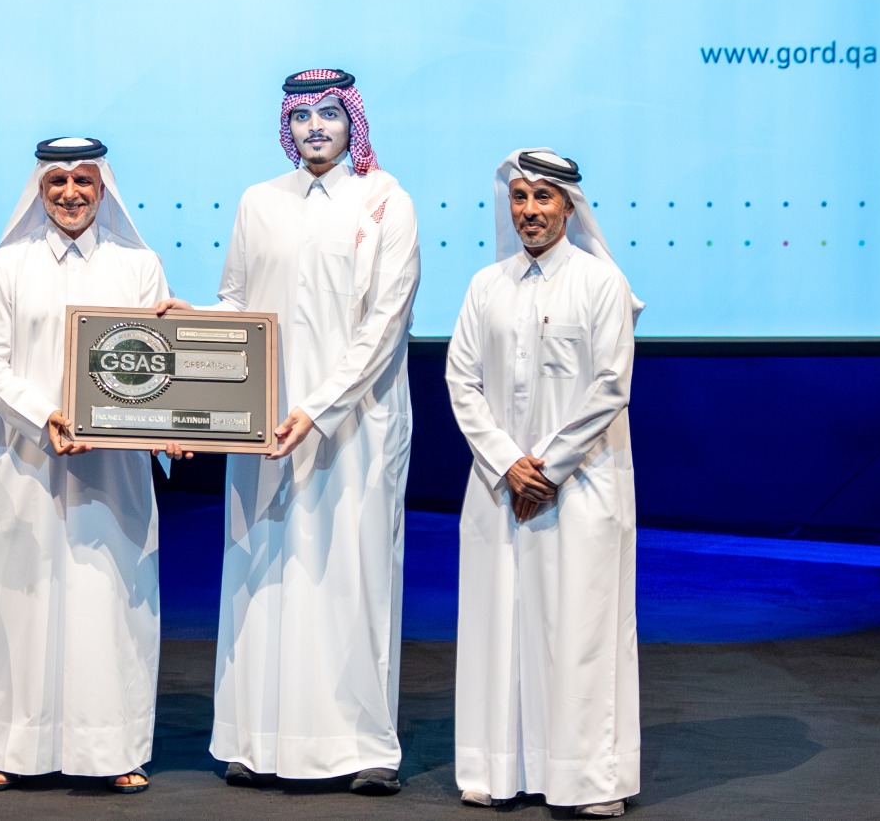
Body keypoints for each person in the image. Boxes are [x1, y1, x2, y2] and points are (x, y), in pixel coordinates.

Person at [157, 68, 420, 794]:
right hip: (264, 425)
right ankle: (254, 738)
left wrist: (320, 408)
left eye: (329, 115)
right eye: (301, 117)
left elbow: (383, 325)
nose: (314, 129)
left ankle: (366, 748)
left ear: (352, 121)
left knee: (351, 576)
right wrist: (193, 330)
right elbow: (239, 305)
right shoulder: (259, 201)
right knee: (261, 574)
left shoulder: (387, 201)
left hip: (355, 424)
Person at [0, 137, 172, 794]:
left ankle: (114, 751)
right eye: (57, 183)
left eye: (84, 181)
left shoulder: (139, 266)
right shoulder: (6, 266)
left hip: (113, 472)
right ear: (39, 190)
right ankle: (12, 749)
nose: (71, 194)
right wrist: (43, 417)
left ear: (103, 187)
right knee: (18, 603)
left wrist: (174, 426)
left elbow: (160, 364)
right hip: (26, 462)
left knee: (110, 602)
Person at [445, 149, 643, 817]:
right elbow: (462, 381)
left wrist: (549, 468)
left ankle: (589, 783)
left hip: (581, 487)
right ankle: (497, 770)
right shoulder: (485, 286)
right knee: (498, 628)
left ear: (568, 206)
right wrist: (508, 462)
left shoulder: (601, 283)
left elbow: (611, 385)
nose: (530, 211)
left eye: (543, 198)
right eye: (520, 198)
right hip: (500, 486)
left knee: (580, 635)